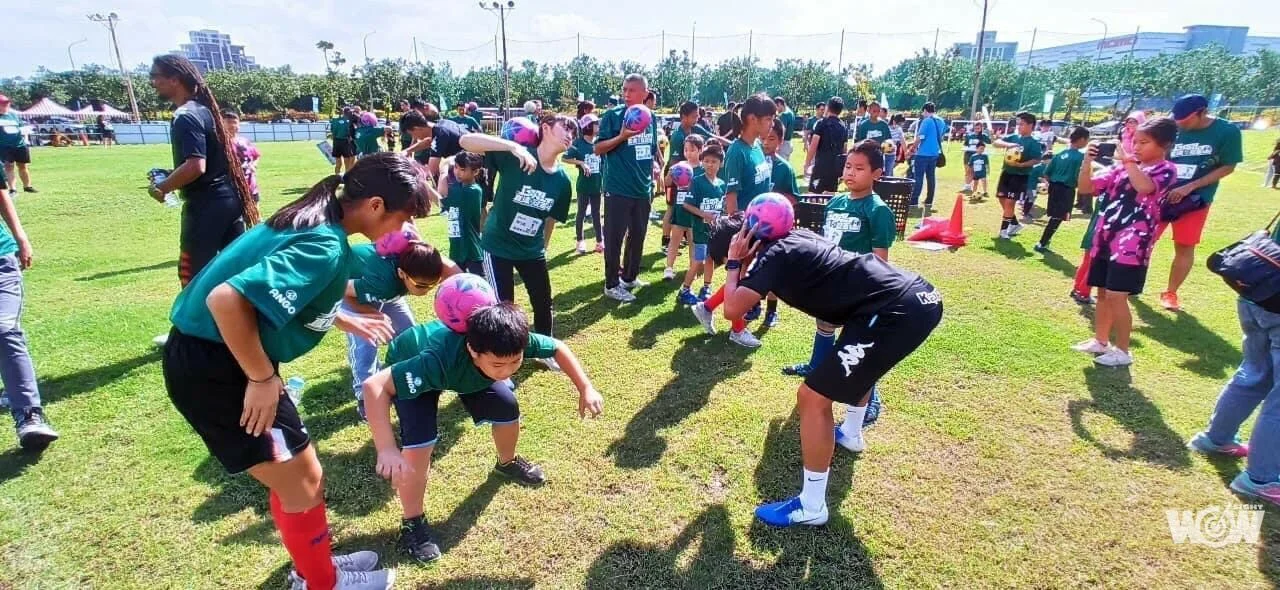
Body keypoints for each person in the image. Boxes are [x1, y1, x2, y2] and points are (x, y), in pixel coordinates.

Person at [162, 152, 429, 590]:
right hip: (216, 367)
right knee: (303, 481)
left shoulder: (315, 219)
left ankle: (316, 566)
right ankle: (320, 582)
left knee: (301, 479)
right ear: (377, 205)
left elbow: (286, 290)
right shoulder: (324, 243)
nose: (401, 232)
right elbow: (227, 300)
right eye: (403, 218)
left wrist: (342, 317)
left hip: (217, 356)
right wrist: (262, 378)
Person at [708, 212, 942, 528]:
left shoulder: (771, 255)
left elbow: (732, 309)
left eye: (729, 259)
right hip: (912, 297)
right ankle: (852, 434)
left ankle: (812, 506)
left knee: (812, 398)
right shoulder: (794, 237)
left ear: (743, 243)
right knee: (857, 361)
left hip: (896, 310)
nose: (737, 268)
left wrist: (735, 264)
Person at [361, 302, 604, 562]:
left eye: (515, 361)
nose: (508, 370)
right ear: (473, 350)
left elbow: (557, 347)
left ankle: (507, 463)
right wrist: (386, 448)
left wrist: (585, 387)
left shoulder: (510, 340)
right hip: (414, 362)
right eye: (499, 364)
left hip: (463, 370)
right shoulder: (434, 361)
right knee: (420, 442)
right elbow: (375, 386)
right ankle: (413, 522)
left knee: (506, 408)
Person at [461, 114, 574, 357]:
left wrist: (542, 247)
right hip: (497, 247)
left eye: (573, 132)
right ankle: (503, 356)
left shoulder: (563, 181)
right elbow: (466, 141)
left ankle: (544, 352)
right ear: (545, 127)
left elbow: (550, 219)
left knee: (543, 303)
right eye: (565, 127)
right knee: (503, 307)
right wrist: (512, 146)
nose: (570, 134)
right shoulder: (518, 159)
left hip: (531, 251)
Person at [1071, 117, 1179, 368]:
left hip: (1132, 245)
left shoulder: (1165, 169)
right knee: (1102, 292)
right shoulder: (1121, 169)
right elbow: (1086, 188)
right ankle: (1100, 340)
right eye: (1135, 141)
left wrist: (1129, 161)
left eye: (1144, 142)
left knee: (1118, 295)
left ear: (1163, 145)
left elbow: (1144, 186)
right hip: (1106, 237)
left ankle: (1123, 350)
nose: (1137, 146)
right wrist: (1087, 161)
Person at [147, 55, 258, 298]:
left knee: (193, 274)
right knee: (236, 271)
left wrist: (162, 187)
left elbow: (196, 166)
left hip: (207, 205)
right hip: (229, 200)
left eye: (154, 76)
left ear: (174, 79)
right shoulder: (207, 111)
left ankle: (190, 334)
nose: (152, 82)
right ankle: (238, 330)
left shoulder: (185, 115)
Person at [1186, 219, 1280, 505]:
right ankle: (1261, 478)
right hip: (1271, 295)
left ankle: (1217, 438)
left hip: (1258, 290)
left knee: (1255, 373)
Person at [343, 231, 452, 420]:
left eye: (432, 286)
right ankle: (365, 397)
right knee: (366, 343)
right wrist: (369, 314)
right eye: (420, 286)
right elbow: (339, 289)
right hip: (351, 291)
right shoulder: (382, 282)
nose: (426, 292)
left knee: (409, 335)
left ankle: (413, 375)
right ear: (402, 273)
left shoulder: (419, 261)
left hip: (386, 293)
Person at [1156, 94, 1243, 312]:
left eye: (1185, 118)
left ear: (1202, 112)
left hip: (1195, 200)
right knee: (1144, 238)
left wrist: (1190, 187)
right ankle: (1130, 285)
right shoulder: (1173, 128)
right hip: (1161, 193)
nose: (1180, 122)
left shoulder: (1227, 131)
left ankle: (1171, 293)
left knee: (1184, 245)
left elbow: (1228, 166)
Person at [0, 171, 57, 451]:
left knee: (5, 329)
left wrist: (20, 237)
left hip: (1, 260)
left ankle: (29, 415)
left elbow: (1, 192)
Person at [596, 74, 659, 303]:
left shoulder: (651, 117)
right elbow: (598, 148)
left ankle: (630, 277)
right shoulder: (613, 116)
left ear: (645, 93)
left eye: (632, 90)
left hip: (642, 189)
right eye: (625, 90)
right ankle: (611, 284)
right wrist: (621, 136)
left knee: (638, 235)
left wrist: (654, 167)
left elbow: (650, 149)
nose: (627, 94)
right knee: (614, 238)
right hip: (617, 188)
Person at [677, 144, 726, 305]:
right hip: (699, 230)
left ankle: (706, 287)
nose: (710, 165)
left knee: (710, 259)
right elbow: (686, 205)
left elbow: (723, 206)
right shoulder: (697, 182)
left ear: (721, 164)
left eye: (714, 161)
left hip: (714, 231)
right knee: (698, 260)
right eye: (706, 161)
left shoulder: (721, 184)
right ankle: (684, 290)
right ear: (702, 162)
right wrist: (704, 214)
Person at [1034, 126, 1089, 253]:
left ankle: (1045, 241)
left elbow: (1047, 173)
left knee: (1055, 216)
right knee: (1057, 218)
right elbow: (1081, 176)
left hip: (1054, 188)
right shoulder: (1081, 158)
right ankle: (1042, 243)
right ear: (1081, 139)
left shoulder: (1059, 155)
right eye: (1087, 140)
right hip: (1066, 189)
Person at [992, 112, 1044, 239]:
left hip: (1020, 176)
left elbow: (1037, 159)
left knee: (1010, 202)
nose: (1019, 127)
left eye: (1022, 124)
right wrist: (1008, 144)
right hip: (1006, 173)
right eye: (1018, 124)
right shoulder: (1014, 138)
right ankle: (1015, 223)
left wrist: (1022, 165)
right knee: (1002, 199)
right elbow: (996, 142)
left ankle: (1004, 231)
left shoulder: (1034, 142)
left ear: (1031, 125)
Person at [663, 135, 705, 281]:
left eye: (692, 150)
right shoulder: (679, 166)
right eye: (686, 150)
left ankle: (692, 268)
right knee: (675, 240)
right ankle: (668, 268)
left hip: (695, 212)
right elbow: (667, 183)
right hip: (680, 209)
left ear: (701, 150)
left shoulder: (703, 169)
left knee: (693, 242)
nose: (688, 153)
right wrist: (670, 174)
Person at [563, 114, 604, 255]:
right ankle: (580, 241)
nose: (598, 126)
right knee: (581, 213)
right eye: (595, 124)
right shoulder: (578, 143)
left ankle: (600, 241)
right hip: (584, 186)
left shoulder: (599, 142)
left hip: (598, 185)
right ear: (588, 126)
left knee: (596, 214)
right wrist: (580, 163)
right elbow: (565, 158)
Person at [440, 152, 488, 274]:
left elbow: (441, 195)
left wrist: (443, 172)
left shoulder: (472, 191)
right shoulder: (459, 187)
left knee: (479, 284)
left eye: (462, 169)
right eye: (455, 167)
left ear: (475, 172)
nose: (457, 172)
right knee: (457, 285)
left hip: (470, 249)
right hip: (457, 247)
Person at [403, 104, 466, 180]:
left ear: (417, 128)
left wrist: (410, 169)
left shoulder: (440, 135)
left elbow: (431, 171)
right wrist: (408, 150)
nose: (414, 137)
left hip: (473, 170)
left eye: (411, 134)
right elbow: (429, 141)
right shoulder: (441, 124)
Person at [907, 102, 945, 210]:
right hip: (934, 153)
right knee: (931, 177)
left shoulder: (927, 121)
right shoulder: (941, 121)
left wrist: (913, 148)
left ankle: (914, 200)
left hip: (923, 153)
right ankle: (929, 200)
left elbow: (920, 137)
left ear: (925, 111)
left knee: (918, 177)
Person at [222, 110, 261, 203]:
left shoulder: (245, 141)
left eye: (235, 122)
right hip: (231, 189)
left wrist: (254, 165)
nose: (232, 125)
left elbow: (256, 155)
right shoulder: (220, 144)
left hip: (251, 187)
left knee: (255, 215)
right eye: (228, 122)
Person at [0, 95, 35, 194]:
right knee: (9, 166)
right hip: (5, 146)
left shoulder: (13, 115)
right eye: (3, 104)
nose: (6, 105)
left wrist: (26, 138)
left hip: (19, 145)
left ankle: (27, 186)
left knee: (23, 166)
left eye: (7, 103)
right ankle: (12, 188)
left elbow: (22, 127)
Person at [1021, 152, 1052, 223]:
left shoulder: (1039, 165)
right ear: (1047, 160)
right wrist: (1047, 183)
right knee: (1031, 199)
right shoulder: (1043, 167)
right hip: (1031, 185)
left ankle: (1025, 211)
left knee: (1030, 198)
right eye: (1051, 160)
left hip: (1029, 183)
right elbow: (1041, 178)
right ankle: (1025, 213)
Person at [962, 121, 992, 193]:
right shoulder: (969, 135)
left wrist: (991, 134)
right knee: (968, 170)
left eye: (978, 128)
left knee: (976, 171)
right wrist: (965, 148)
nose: (977, 129)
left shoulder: (983, 136)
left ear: (981, 128)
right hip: (968, 155)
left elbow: (990, 142)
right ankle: (967, 185)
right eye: (975, 128)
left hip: (977, 156)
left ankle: (974, 186)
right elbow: (965, 145)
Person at [329, 106, 357, 175]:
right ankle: (346, 179)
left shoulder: (335, 120)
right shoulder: (349, 122)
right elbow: (351, 133)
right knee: (347, 163)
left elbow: (332, 132)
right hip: (345, 142)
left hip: (336, 142)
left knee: (338, 163)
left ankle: (336, 178)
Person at [774, 97, 796, 162]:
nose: (776, 110)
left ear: (780, 104)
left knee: (780, 164)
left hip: (783, 144)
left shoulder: (784, 115)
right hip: (788, 143)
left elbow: (783, 130)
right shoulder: (791, 113)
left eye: (776, 107)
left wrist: (778, 144)